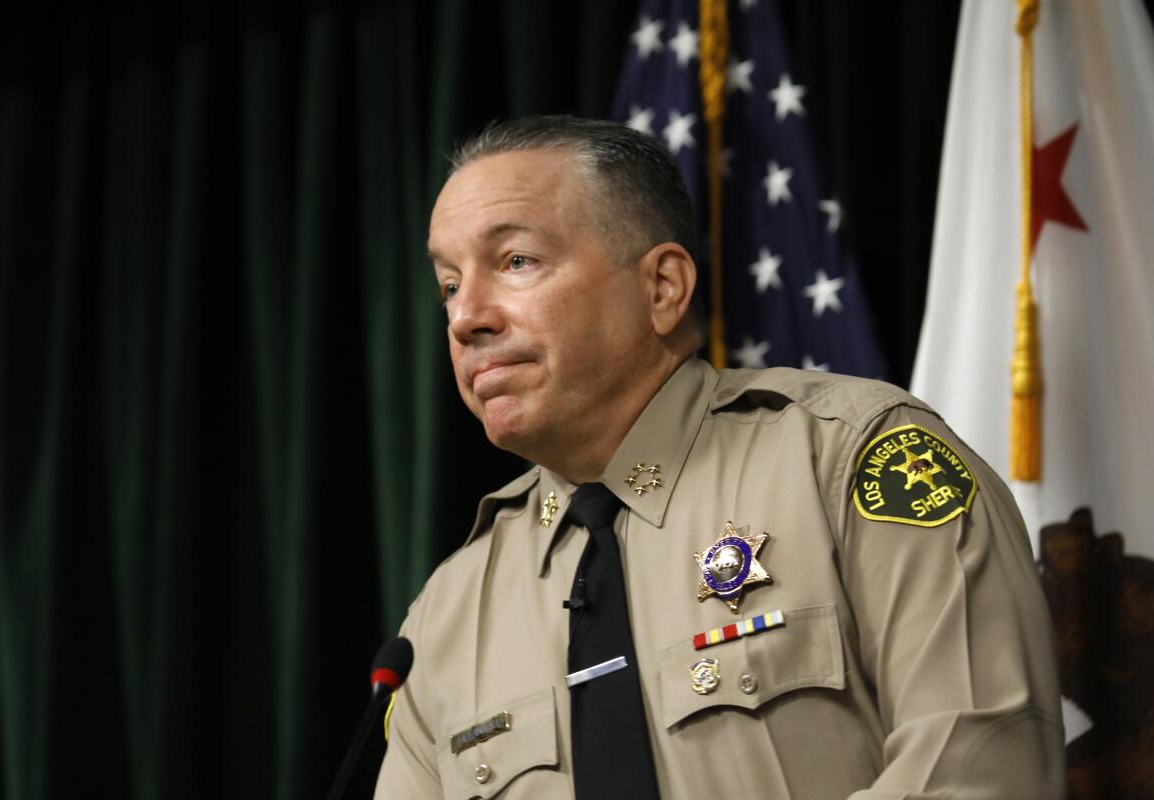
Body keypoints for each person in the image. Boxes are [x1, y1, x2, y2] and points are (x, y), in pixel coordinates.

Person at [375, 116, 1065, 799]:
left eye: (516, 262)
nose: (467, 317)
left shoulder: (858, 459)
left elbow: (979, 774)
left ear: (663, 288)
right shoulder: (445, 617)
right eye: (449, 285)